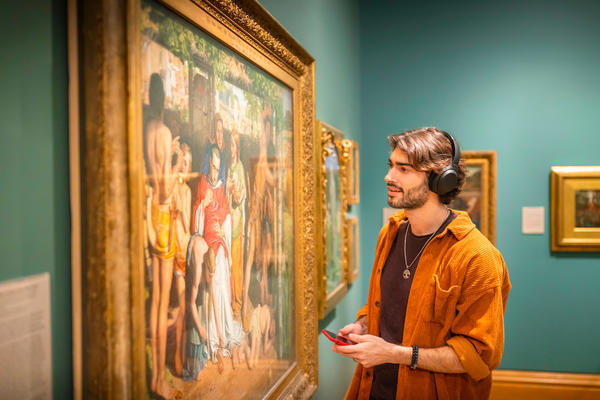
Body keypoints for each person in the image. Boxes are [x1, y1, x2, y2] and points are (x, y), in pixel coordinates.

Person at [333, 127, 511, 400]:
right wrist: (364, 325)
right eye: (391, 166)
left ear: (440, 179)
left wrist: (394, 353)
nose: (388, 176)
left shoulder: (478, 257)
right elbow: (389, 305)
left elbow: (477, 356)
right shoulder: (390, 233)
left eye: (403, 169)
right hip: (373, 390)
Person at [145, 73, 183, 399]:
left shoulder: (146, 132)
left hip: (151, 219)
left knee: (156, 303)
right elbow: (165, 187)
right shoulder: (165, 132)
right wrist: (175, 158)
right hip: (165, 219)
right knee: (163, 301)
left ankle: (157, 376)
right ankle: (159, 377)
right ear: (163, 100)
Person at [192, 146, 245, 372]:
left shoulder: (221, 188)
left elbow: (226, 215)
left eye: (217, 164)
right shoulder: (203, 184)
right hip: (207, 248)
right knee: (212, 293)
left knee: (224, 293)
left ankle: (229, 342)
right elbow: (196, 219)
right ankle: (216, 345)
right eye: (212, 164)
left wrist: (225, 232)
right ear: (209, 162)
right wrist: (203, 206)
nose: (215, 169)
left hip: (221, 246)